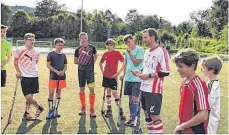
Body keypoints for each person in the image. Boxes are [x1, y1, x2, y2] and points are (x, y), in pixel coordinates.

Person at [132, 28, 170, 134]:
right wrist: (139, 72)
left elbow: (166, 72)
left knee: (154, 115)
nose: (143, 39)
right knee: (147, 114)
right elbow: (146, 68)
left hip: (154, 89)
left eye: (145, 37)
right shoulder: (147, 51)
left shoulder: (162, 51)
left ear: (152, 37)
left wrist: (148, 75)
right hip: (143, 88)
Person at [173, 48, 210, 134]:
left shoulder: (199, 84)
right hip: (184, 129)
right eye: (177, 66)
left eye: (180, 66)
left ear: (192, 67)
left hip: (195, 131)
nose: (178, 69)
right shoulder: (184, 82)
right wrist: (181, 125)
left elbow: (203, 115)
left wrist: (183, 126)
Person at [14, 33, 44, 119]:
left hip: (34, 76)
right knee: (28, 97)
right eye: (30, 39)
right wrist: (19, 72)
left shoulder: (37, 51)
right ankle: (39, 108)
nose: (32, 41)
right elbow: (15, 62)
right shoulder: (20, 50)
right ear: (25, 40)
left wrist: (31, 69)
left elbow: (35, 62)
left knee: (30, 97)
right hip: (24, 76)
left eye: (33, 39)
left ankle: (26, 113)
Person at [120, 34, 144, 131]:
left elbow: (136, 63)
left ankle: (137, 121)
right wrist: (123, 74)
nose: (128, 44)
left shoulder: (140, 50)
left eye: (129, 42)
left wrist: (129, 53)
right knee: (130, 99)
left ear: (132, 40)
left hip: (137, 79)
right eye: (126, 43)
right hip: (128, 78)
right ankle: (132, 118)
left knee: (135, 99)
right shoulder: (126, 52)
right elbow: (125, 64)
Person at [99, 38, 125, 119]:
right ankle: (109, 109)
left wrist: (118, 73)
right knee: (108, 93)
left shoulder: (117, 53)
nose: (109, 46)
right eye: (108, 45)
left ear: (113, 46)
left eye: (111, 45)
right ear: (106, 45)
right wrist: (102, 72)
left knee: (115, 93)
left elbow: (124, 62)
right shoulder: (105, 54)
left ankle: (120, 110)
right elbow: (101, 63)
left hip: (113, 77)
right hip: (106, 76)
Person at [74, 32, 97, 117]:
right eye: (82, 38)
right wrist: (83, 63)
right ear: (80, 39)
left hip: (90, 72)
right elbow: (75, 61)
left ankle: (92, 109)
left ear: (87, 38)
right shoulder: (77, 49)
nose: (84, 39)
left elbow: (95, 57)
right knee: (82, 89)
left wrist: (90, 64)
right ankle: (83, 108)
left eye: (85, 38)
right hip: (81, 72)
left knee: (91, 89)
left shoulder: (92, 48)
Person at [46, 38, 67, 119]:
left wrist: (63, 71)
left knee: (58, 94)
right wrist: (56, 71)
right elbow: (48, 65)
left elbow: (65, 66)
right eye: (59, 45)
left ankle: (56, 110)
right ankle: (50, 111)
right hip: (53, 77)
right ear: (55, 45)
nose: (60, 47)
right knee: (51, 94)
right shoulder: (50, 54)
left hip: (61, 77)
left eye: (62, 45)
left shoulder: (64, 55)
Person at [201, 56, 222, 134]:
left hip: (209, 119)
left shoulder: (212, 85)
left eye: (204, 68)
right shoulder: (212, 82)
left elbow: (208, 104)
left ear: (212, 70)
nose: (202, 70)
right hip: (211, 118)